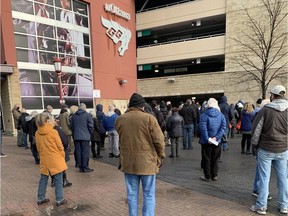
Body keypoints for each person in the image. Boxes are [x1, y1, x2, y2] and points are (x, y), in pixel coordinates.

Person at [115, 93, 165, 216]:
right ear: (142, 106)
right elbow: (159, 140)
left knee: (132, 193)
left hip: (128, 162)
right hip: (147, 162)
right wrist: (161, 155)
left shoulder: (120, 119)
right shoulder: (149, 119)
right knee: (148, 193)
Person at [250, 85, 288, 215]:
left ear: (273, 95)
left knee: (264, 177)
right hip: (283, 149)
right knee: (283, 178)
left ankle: (261, 206)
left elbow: (256, 131)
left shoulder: (265, 110)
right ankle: (284, 205)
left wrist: (254, 146)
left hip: (266, 148)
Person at [35, 112, 67, 206]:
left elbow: (38, 147)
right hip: (55, 158)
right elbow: (60, 146)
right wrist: (62, 155)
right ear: (48, 120)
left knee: (43, 179)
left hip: (44, 158)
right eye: (52, 118)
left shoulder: (37, 132)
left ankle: (40, 198)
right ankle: (59, 199)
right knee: (58, 180)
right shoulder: (53, 132)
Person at [199, 98, 226, 182]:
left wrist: (208, 138)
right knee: (215, 158)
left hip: (206, 141)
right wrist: (216, 137)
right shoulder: (221, 115)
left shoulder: (203, 115)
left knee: (206, 158)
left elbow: (203, 128)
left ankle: (207, 176)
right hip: (217, 141)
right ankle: (214, 175)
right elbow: (223, 127)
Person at [251, 99, 271, 200]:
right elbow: (256, 132)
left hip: (262, 145)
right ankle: (260, 191)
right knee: (262, 172)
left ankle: (258, 190)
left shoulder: (260, 114)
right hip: (264, 146)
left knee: (261, 171)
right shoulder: (261, 115)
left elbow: (256, 131)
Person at [71, 103, 94, 173]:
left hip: (76, 136)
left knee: (78, 151)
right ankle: (85, 167)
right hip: (85, 136)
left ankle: (80, 166)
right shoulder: (87, 115)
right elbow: (91, 126)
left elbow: (71, 126)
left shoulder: (74, 116)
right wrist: (89, 133)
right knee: (85, 152)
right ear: (84, 108)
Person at [53, 117, 72, 188]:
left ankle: (53, 181)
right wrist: (66, 146)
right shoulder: (57, 130)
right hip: (59, 151)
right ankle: (64, 180)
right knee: (62, 166)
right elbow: (64, 140)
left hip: (51, 153)